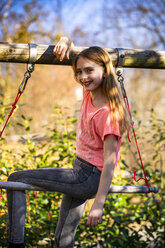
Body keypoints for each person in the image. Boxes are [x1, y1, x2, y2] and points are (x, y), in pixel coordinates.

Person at [7, 36, 130, 248]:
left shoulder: (108, 114)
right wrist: (65, 41)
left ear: (104, 70)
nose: (83, 77)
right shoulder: (89, 91)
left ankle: (15, 244)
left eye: (89, 70)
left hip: (87, 177)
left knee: (15, 179)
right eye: (79, 72)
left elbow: (110, 161)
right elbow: (74, 53)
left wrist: (99, 203)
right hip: (81, 172)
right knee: (63, 240)